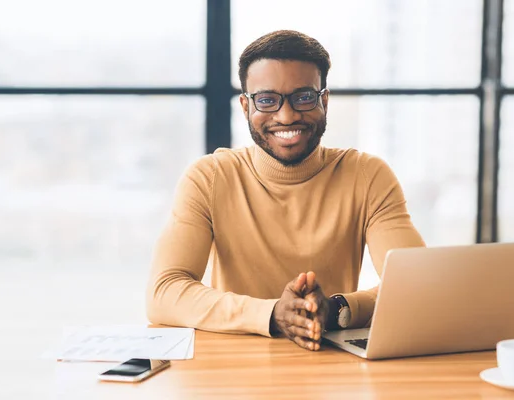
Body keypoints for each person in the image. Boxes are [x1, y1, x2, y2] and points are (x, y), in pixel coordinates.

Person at [146, 30, 425, 351]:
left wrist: (336, 310)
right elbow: (163, 293)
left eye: (303, 97)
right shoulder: (209, 177)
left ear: (324, 100)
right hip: (232, 362)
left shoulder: (367, 175)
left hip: (328, 360)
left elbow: (415, 286)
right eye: (267, 100)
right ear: (244, 106)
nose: (287, 115)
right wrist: (271, 314)